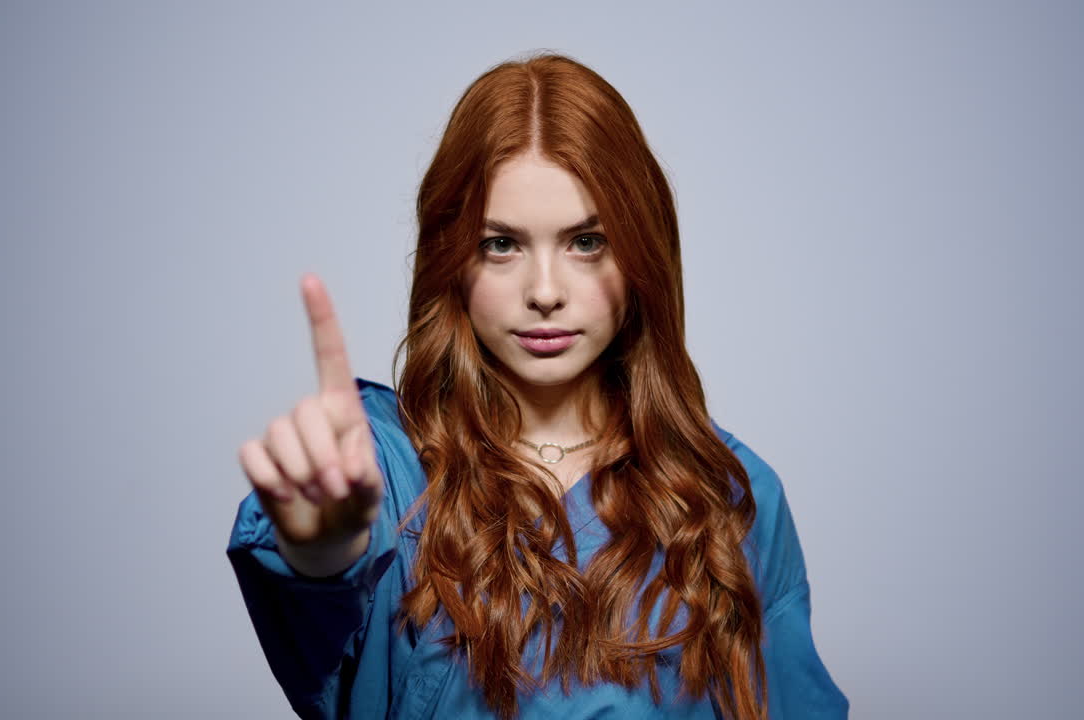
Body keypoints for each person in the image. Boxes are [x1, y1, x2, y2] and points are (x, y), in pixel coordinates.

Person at [226, 52, 849, 719]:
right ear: (452, 260)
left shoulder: (731, 495)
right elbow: (325, 588)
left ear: (641, 252)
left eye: (587, 242)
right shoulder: (393, 475)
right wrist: (322, 548)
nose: (545, 292)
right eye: (501, 245)